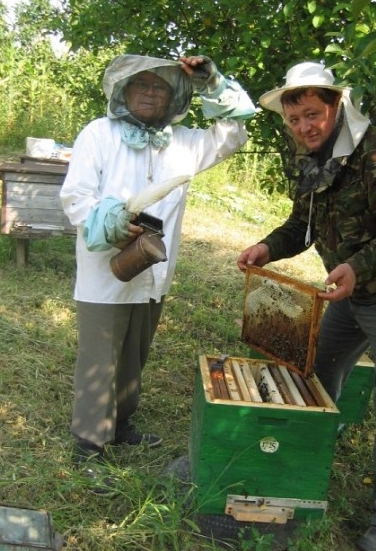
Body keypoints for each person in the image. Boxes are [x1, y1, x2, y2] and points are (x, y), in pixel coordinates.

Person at [237, 62, 376, 551]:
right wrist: (267, 247)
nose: (304, 127)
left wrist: (356, 266)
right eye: (294, 120)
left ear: (335, 106)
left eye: (312, 115)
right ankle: (295, 467)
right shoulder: (307, 157)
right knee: (313, 376)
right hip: (346, 289)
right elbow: (301, 224)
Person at [61, 53, 255, 484]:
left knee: (135, 353)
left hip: (153, 270)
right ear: (124, 92)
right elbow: (76, 198)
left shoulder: (183, 142)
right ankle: (89, 446)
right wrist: (112, 219)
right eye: (141, 85)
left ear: (174, 96)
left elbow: (233, 133)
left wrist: (213, 83)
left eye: (160, 87)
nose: (150, 93)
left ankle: (121, 425)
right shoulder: (99, 134)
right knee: (100, 358)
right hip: (104, 271)